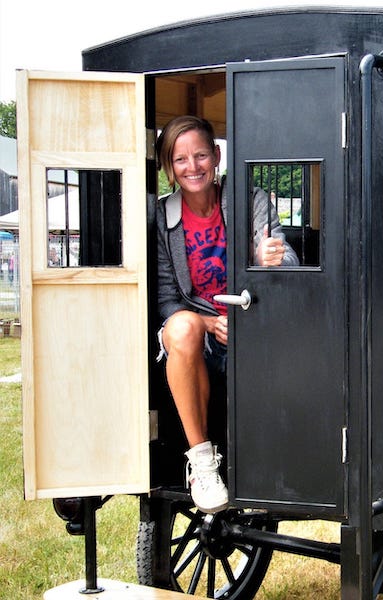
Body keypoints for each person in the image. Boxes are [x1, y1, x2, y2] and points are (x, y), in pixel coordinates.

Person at [155, 115, 298, 513]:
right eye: (180, 159)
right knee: (180, 326)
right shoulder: (163, 220)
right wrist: (208, 322)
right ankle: (202, 463)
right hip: (198, 342)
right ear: (170, 166)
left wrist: (269, 257)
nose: (193, 166)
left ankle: (263, 466)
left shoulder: (249, 199)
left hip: (251, 329)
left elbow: (284, 252)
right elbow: (167, 301)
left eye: (200, 155)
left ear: (216, 156)